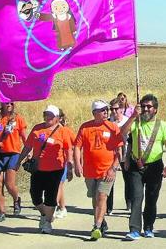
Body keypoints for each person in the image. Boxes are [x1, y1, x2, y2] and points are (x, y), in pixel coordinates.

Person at [119, 94, 166, 240]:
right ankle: (134, 229)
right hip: (135, 167)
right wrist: (132, 117)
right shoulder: (135, 122)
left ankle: (149, 227)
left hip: (155, 166)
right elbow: (122, 134)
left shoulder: (162, 125)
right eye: (143, 106)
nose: (145, 109)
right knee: (137, 197)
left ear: (155, 109)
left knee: (151, 198)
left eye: (149, 107)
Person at [15, 105, 73, 234]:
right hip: (38, 169)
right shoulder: (37, 128)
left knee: (50, 197)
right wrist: (19, 161)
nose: (48, 117)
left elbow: (69, 149)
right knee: (35, 195)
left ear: (57, 118)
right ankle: (44, 214)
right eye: (46, 114)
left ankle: (47, 222)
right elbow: (28, 146)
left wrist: (70, 167)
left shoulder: (63, 131)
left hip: (55, 169)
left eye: (51, 115)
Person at [74, 100, 123, 241]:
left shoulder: (112, 127)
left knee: (102, 196)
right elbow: (77, 147)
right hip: (90, 171)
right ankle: (102, 221)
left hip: (107, 170)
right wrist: (77, 164)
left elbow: (119, 150)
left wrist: (113, 168)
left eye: (106, 109)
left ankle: (96, 226)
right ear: (94, 113)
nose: (106, 112)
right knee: (95, 198)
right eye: (102, 110)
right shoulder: (85, 127)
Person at [107, 98, 131, 214]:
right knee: (110, 179)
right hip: (112, 154)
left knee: (128, 179)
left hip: (126, 153)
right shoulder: (108, 122)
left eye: (116, 109)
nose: (113, 112)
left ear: (121, 109)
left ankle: (129, 202)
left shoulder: (127, 121)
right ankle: (108, 206)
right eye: (111, 109)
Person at [55, 109, 76, 219]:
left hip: (62, 162)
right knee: (59, 186)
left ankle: (53, 207)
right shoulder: (47, 129)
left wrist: (72, 163)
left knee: (58, 185)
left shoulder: (66, 131)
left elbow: (76, 144)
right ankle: (62, 208)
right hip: (49, 163)